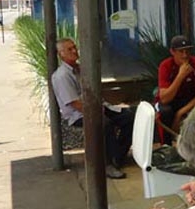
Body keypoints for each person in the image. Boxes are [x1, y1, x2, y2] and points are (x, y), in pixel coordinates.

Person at [51, 38, 134, 179]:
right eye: (69, 49)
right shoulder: (62, 76)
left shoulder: (80, 69)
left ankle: (118, 156)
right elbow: (74, 103)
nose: (74, 51)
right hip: (79, 114)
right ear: (61, 54)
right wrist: (95, 112)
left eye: (74, 47)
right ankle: (107, 164)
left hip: (97, 107)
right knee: (104, 124)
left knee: (129, 117)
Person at [156, 35, 195, 145]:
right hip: (170, 100)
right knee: (165, 112)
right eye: (181, 52)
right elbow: (164, 98)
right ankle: (166, 145)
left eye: (187, 51)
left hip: (188, 99)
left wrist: (180, 113)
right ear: (172, 52)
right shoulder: (165, 66)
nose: (185, 55)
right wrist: (180, 76)